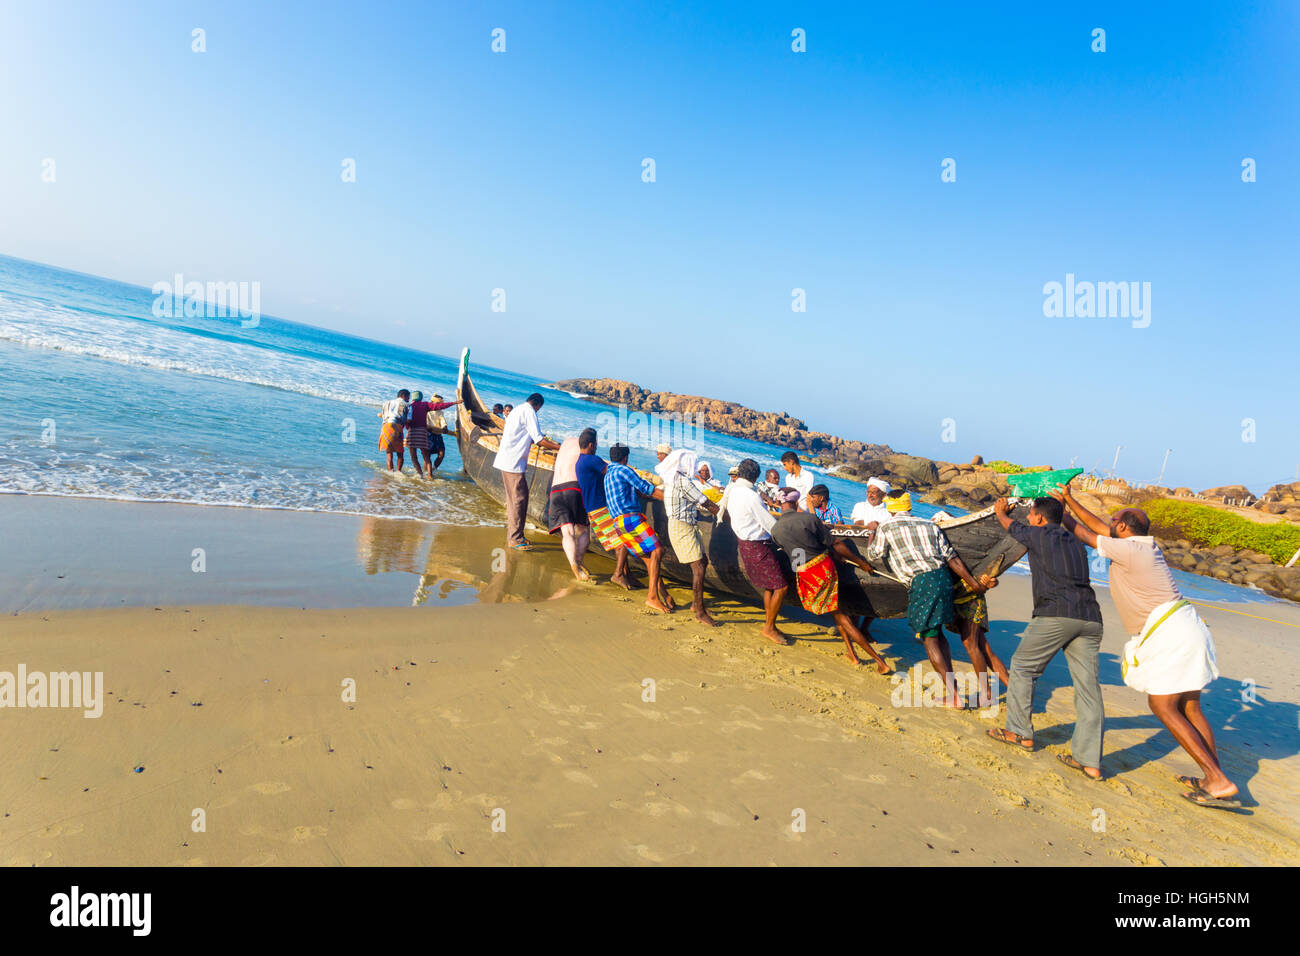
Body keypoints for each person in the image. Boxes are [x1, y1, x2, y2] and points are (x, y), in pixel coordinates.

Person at [1053, 484, 1236, 806]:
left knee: (1162, 706)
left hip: (1171, 634)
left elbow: (1085, 533)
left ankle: (1218, 780)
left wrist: (1061, 512)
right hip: (1186, 627)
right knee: (1190, 706)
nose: (1109, 522)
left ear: (1123, 527)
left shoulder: (1130, 550)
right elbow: (1097, 527)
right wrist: (1069, 500)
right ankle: (1213, 777)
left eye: (1114, 520)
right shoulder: (1141, 546)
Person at [987, 496, 1106, 778]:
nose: (1029, 519)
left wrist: (1000, 512)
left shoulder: (1037, 533)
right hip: (1090, 617)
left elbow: (1010, 526)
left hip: (1056, 613)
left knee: (1023, 667)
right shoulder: (1076, 543)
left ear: (1039, 518)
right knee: (1088, 688)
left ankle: (1018, 732)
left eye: (1032, 516)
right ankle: (1089, 762)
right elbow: (1067, 525)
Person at [865, 492, 992, 708]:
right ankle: (960, 693)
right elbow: (952, 558)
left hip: (922, 584)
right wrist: (974, 584)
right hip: (943, 579)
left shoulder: (886, 527)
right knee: (938, 633)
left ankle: (954, 696)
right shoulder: (930, 525)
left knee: (929, 639)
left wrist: (871, 532)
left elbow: (873, 555)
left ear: (891, 509)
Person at [771, 489, 892, 672]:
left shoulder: (775, 529)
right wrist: (861, 562)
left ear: (780, 504)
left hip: (805, 573)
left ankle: (873, 660)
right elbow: (835, 544)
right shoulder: (809, 520)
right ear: (796, 503)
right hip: (823, 567)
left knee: (838, 614)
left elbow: (795, 554)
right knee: (839, 614)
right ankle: (866, 658)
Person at [725, 459, 793, 645]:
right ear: (755, 477)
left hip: (745, 543)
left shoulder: (734, 490)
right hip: (757, 545)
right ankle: (769, 627)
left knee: (770, 585)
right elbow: (769, 524)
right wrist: (789, 537)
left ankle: (769, 622)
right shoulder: (751, 495)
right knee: (781, 586)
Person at [604, 443, 674, 613]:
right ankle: (651, 597)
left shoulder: (608, 474)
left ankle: (663, 594)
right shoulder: (624, 470)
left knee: (650, 559)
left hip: (618, 523)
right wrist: (673, 500)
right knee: (658, 551)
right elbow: (647, 488)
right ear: (625, 458)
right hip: (630, 519)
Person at [492, 394, 561, 551]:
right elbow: (538, 439)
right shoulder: (530, 412)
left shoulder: (516, 410)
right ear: (538, 405)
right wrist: (559, 447)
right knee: (519, 500)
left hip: (506, 460)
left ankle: (515, 535)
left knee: (514, 500)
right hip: (513, 463)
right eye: (539, 408)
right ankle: (515, 539)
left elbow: (523, 435)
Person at [662, 449, 721, 626]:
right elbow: (705, 502)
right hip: (682, 526)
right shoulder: (682, 481)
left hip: (684, 524)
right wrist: (726, 517)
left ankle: (697, 605)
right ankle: (700, 611)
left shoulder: (673, 477)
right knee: (698, 567)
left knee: (702, 561)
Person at [576, 429, 638, 590]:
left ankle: (626, 574)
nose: (596, 446)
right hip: (600, 507)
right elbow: (612, 471)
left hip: (591, 507)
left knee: (618, 542)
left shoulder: (581, 461)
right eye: (596, 443)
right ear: (591, 445)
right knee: (623, 540)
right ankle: (618, 574)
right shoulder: (592, 460)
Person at [548, 434, 592, 582]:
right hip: (573, 488)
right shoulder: (582, 447)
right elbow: (588, 466)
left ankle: (573, 565)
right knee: (584, 529)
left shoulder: (564, 445)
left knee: (567, 532)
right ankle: (579, 559)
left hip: (555, 490)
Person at [424, 394, 460, 471]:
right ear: (432, 402)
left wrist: (444, 426)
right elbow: (426, 422)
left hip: (438, 434)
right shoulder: (427, 410)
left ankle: (433, 469)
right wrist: (428, 427)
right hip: (429, 434)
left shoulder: (440, 412)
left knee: (441, 454)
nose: (439, 405)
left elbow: (442, 420)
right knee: (427, 455)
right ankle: (426, 471)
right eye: (438, 403)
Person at [378, 388, 410, 471]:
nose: (408, 400)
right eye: (408, 398)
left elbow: (384, 417)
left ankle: (390, 471)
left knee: (389, 453)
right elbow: (406, 420)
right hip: (397, 426)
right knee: (400, 453)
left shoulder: (386, 403)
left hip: (386, 426)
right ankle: (398, 472)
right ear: (404, 396)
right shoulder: (406, 405)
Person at [405, 391, 433, 477]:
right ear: (421, 397)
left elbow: (407, 421)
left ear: (412, 398)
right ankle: (429, 475)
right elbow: (440, 406)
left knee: (413, 456)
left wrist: (407, 427)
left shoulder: (410, 406)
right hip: (422, 433)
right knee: (426, 456)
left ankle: (420, 474)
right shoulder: (425, 405)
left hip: (412, 432)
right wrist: (454, 403)